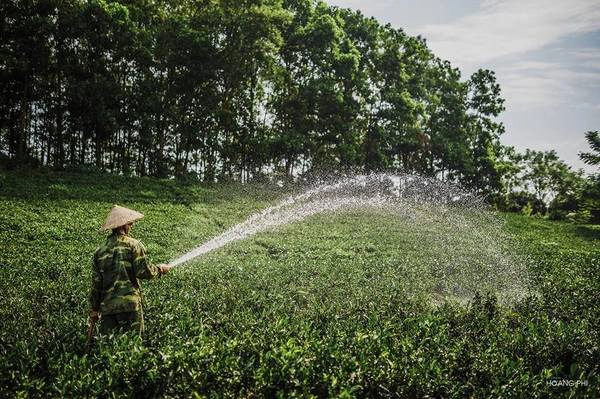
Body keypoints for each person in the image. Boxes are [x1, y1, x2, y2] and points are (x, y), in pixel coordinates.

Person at [89, 205, 172, 336]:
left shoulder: (99, 251)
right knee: (133, 347)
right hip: (130, 306)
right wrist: (160, 269)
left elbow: (96, 283)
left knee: (110, 348)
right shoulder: (133, 245)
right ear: (123, 225)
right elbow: (143, 272)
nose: (131, 226)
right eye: (130, 223)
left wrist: (94, 309)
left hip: (108, 308)